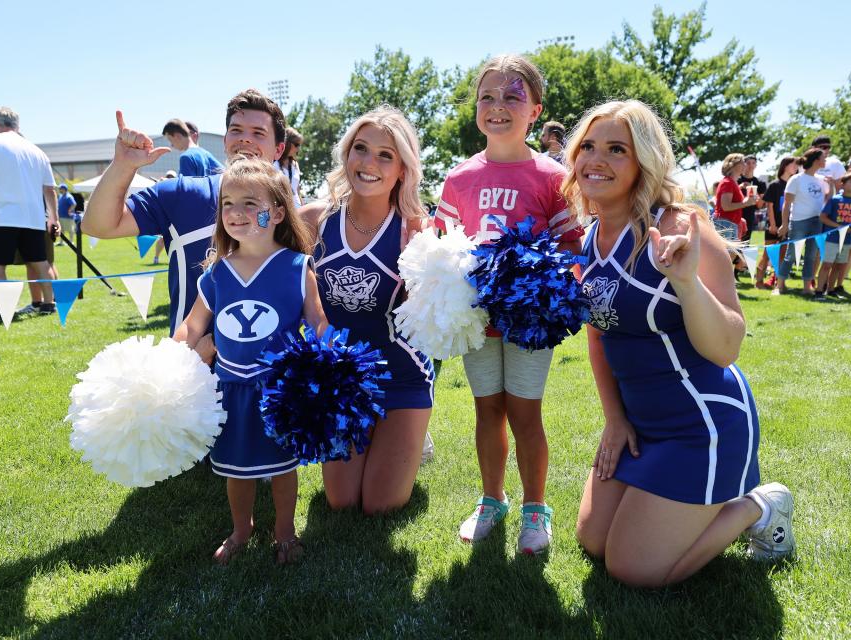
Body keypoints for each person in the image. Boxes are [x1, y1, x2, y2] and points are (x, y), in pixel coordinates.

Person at [567, 99, 794, 588]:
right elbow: (599, 335)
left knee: (633, 569)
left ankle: (759, 506)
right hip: (640, 423)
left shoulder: (682, 228)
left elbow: (727, 346)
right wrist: (613, 419)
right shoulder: (590, 239)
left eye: (615, 149)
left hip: (702, 424)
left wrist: (687, 284)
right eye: (588, 146)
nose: (596, 160)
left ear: (644, 160)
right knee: (593, 539)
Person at [434, 54, 584, 554]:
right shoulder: (457, 179)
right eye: (488, 97)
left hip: (527, 323)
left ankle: (535, 508)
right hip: (478, 322)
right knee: (486, 410)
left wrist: (542, 285)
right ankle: (492, 498)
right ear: (476, 107)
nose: (498, 107)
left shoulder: (552, 176)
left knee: (525, 413)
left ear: (536, 111)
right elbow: (441, 248)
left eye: (512, 97)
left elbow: (571, 250)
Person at [174, 157, 327, 565]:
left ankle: (285, 531)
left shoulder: (297, 268)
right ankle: (243, 529)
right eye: (227, 203)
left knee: (282, 469)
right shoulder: (216, 274)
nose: (236, 213)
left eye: (249, 203)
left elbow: (319, 325)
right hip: (229, 389)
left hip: (279, 393)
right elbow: (191, 327)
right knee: (234, 469)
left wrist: (330, 365)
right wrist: (173, 356)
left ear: (277, 212)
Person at [299, 106, 435, 514]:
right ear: (346, 155)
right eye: (361, 148)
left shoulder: (415, 229)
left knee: (380, 504)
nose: (369, 163)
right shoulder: (313, 221)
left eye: (385, 155)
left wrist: (421, 269)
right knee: (342, 501)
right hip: (341, 382)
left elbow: (429, 317)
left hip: (402, 375)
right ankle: (386, 438)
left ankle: (410, 434)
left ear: (402, 170)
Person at [82, 89, 287, 347]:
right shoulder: (183, 193)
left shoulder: (294, 211)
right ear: (225, 140)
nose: (245, 140)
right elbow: (97, 225)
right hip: (192, 367)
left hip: (273, 373)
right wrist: (123, 165)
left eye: (258, 133)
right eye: (236, 130)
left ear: (279, 149)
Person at [0, 106, 58, 319]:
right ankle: (49, 303)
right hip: (34, 219)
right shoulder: (37, 151)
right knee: (40, 263)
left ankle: (0, 310)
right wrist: (52, 218)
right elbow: (50, 189)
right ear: (17, 125)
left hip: (1, 217)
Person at [775, 148, 829, 296]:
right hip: (798, 220)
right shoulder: (796, 179)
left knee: (811, 255)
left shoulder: (821, 180)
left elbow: (826, 200)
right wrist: (785, 224)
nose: (826, 160)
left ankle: (807, 287)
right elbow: (786, 204)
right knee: (791, 254)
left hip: (816, 221)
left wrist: (831, 187)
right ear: (816, 160)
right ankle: (780, 285)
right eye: (823, 157)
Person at [814, 171, 851, 300]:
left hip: (847, 239)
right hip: (832, 238)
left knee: (839, 265)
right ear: (842, 184)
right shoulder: (835, 199)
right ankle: (819, 291)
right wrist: (838, 226)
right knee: (827, 264)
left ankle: (831, 290)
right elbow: (823, 217)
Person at [754, 156, 797, 289]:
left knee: (782, 256)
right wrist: (772, 225)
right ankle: (759, 282)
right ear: (785, 166)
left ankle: (779, 282)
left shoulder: (794, 184)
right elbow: (770, 206)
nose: (796, 168)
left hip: (788, 225)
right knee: (767, 255)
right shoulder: (775, 185)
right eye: (794, 165)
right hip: (774, 225)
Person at [713, 153, 756, 241]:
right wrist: (745, 203)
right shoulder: (727, 182)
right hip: (725, 224)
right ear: (734, 165)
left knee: (731, 254)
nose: (745, 165)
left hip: (729, 223)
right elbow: (726, 206)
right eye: (743, 162)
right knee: (727, 254)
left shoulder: (732, 182)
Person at [737, 155, 766, 243]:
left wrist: (753, 190)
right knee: (740, 246)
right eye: (748, 163)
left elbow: (760, 205)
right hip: (740, 216)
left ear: (756, 165)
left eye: (753, 163)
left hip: (757, 217)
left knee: (757, 247)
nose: (751, 165)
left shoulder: (760, 183)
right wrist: (739, 187)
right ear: (743, 165)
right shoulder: (737, 180)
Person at [278, 127, 304, 207]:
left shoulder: (295, 164)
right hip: (281, 207)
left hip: (297, 207)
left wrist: (303, 206)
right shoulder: (273, 163)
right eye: (296, 145)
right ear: (287, 144)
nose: (298, 148)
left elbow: (297, 190)